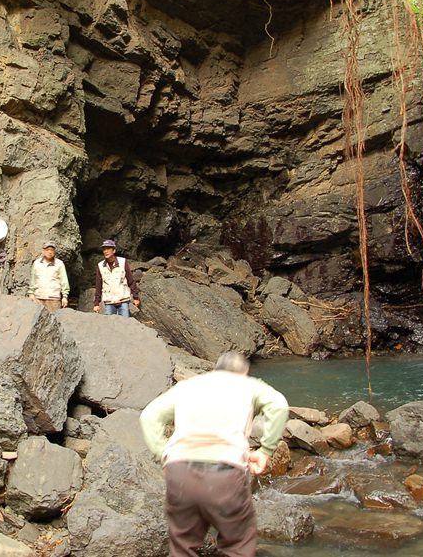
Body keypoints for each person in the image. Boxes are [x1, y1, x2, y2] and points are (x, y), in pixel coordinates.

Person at [139, 352, 289, 557]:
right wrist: (266, 450)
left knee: (183, 546)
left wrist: (164, 454)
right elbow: (279, 405)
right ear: (243, 373)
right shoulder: (248, 385)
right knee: (238, 544)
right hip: (226, 472)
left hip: (180, 471)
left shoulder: (188, 386)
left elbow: (149, 416)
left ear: (215, 370)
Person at [92, 239, 140, 317]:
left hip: (123, 299)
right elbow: (98, 285)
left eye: (108, 249)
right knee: (110, 326)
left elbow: (130, 280)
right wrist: (96, 304)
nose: (105, 251)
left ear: (114, 250)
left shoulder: (123, 262)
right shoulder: (100, 266)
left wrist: (136, 297)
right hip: (109, 301)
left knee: (125, 323)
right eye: (104, 249)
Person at [28, 240, 69, 311]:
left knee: (54, 319)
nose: (50, 252)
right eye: (47, 250)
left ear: (54, 252)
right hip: (38, 298)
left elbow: (64, 281)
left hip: (54, 299)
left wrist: (65, 296)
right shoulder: (37, 263)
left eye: (52, 250)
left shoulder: (59, 264)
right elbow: (33, 279)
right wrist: (31, 293)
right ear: (43, 251)